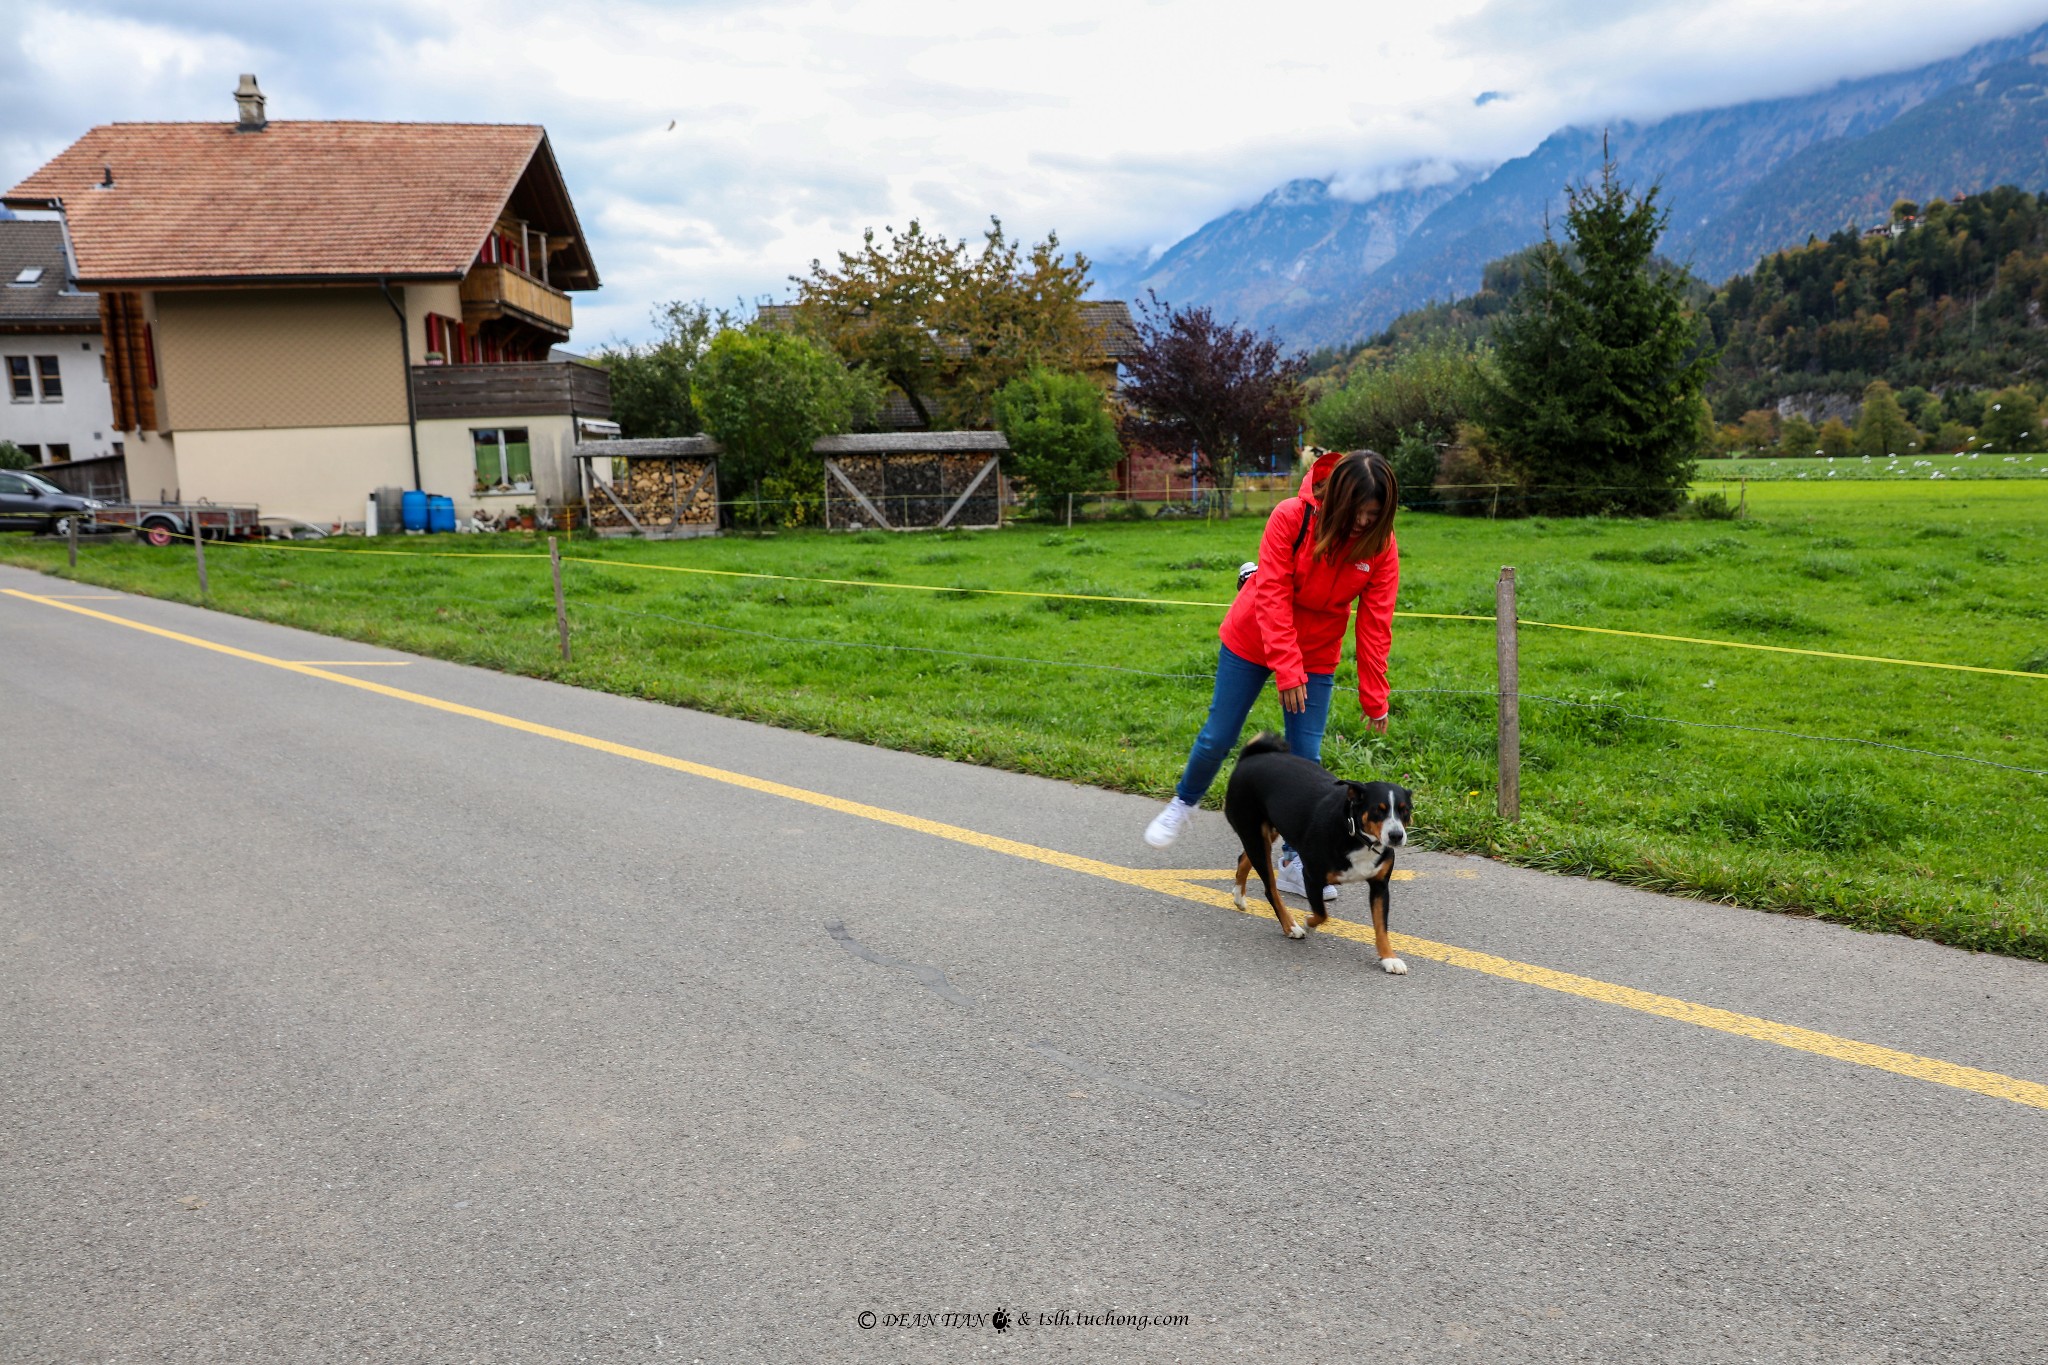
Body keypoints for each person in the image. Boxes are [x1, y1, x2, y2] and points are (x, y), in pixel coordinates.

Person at [1143, 448, 1400, 901]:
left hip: (1317, 651)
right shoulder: (1290, 517)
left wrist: (1374, 695)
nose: (1363, 522)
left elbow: (1375, 621)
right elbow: (1274, 592)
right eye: (1357, 512)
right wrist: (1286, 668)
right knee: (1218, 737)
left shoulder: (1381, 545)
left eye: (1373, 514)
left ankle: (1299, 859)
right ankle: (1183, 803)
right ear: (1337, 499)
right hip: (1254, 638)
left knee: (1307, 760)